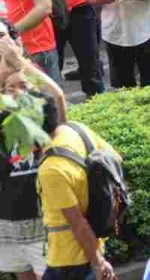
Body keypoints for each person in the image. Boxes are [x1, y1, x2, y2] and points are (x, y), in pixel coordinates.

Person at [0, 32, 62, 280]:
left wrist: (20, 63)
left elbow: (56, 96)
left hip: (44, 220)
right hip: (8, 222)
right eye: (9, 89)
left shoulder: (41, 109)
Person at [37, 122, 118, 280]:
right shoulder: (77, 129)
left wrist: (98, 263)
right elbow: (115, 158)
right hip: (93, 246)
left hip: (68, 259)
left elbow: (78, 223)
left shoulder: (51, 169)